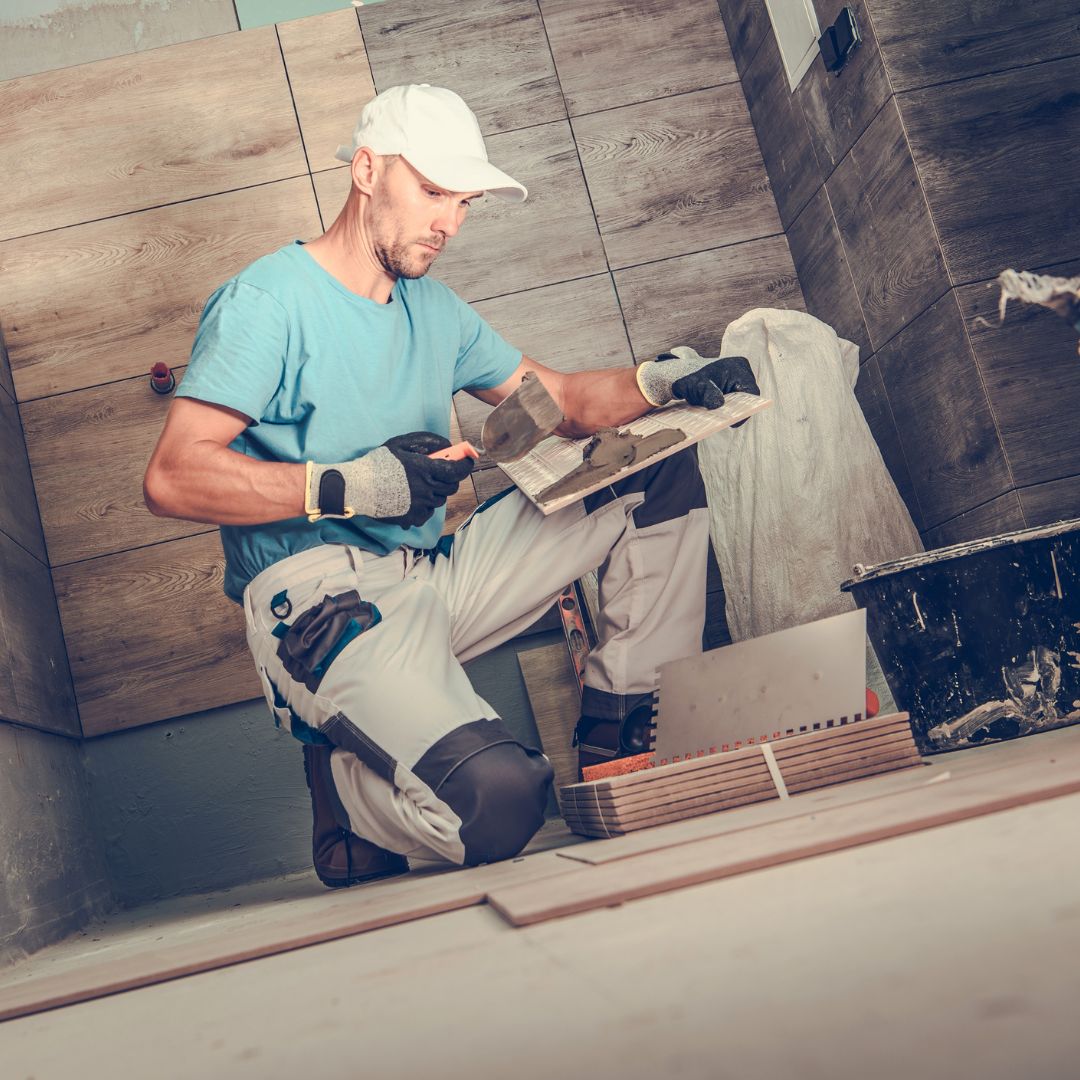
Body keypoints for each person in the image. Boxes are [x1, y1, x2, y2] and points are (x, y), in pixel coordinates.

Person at [143, 83, 759, 888]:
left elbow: (564, 402)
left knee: (652, 472)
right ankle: (344, 796)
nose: (449, 223)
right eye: (432, 192)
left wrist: (665, 381)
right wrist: (355, 484)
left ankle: (623, 739)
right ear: (367, 170)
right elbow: (173, 475)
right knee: (500, 804)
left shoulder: (434, 309)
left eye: (463, 201)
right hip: (324, 602)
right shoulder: (267, 303)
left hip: (435, 576)